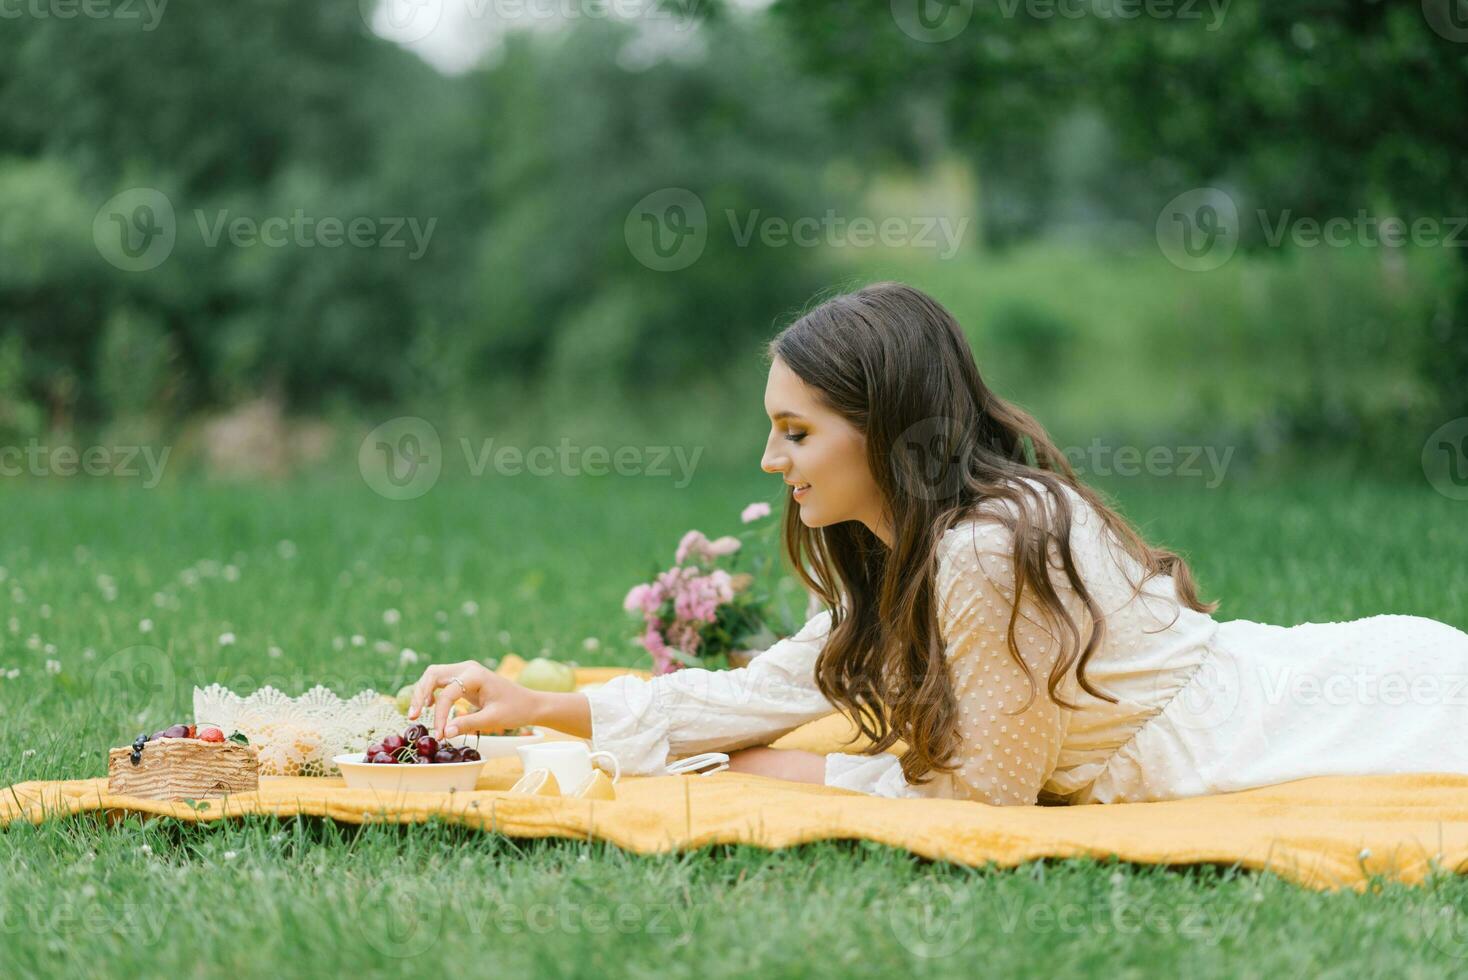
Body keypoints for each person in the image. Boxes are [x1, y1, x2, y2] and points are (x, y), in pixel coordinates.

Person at [409, 282, 1468, 806]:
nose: (770, 460)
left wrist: (801, 771)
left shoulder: (982, 549)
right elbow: (767, 684)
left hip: (1367, 710)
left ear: (885, 425)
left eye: (795, 431)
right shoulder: (914, 542)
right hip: (1332, 680)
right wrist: (549, 707)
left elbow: (986, 799)